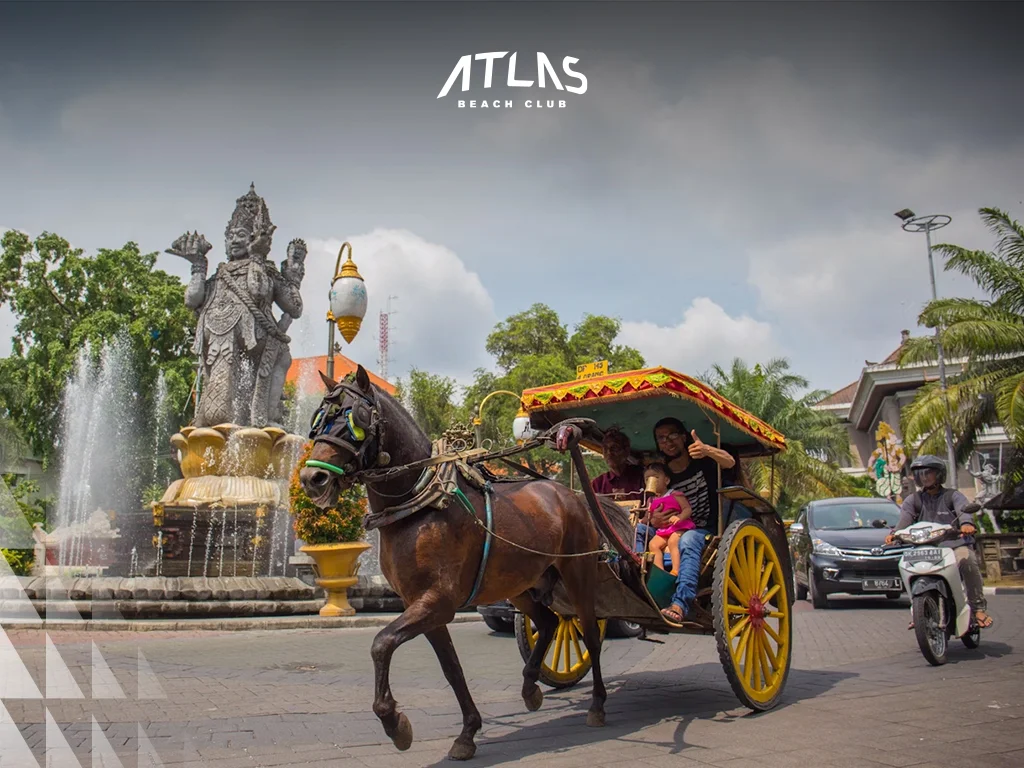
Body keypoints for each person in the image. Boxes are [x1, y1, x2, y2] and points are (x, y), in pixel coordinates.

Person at [887, 454, 994, 629]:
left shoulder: (953, 496)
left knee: (968, 561)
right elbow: (904, 521)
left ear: (939, 474)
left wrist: (966, 523)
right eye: (920, 473)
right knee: (904, 566)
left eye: (928, 472)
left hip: (954, 546)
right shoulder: (913, 500)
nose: (924, 477)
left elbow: (964, 511)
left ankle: (978, 608)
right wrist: (894, 534)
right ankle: (919, 611)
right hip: (924, 548)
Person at [653, 417, 736, 624]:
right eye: (661, 438)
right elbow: (653, 504)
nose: (668, 442)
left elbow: (730, 462)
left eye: (672, 435)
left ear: (683, 437)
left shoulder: (704, 462)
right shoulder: (663, 475)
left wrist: (707, 449)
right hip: (669, 530)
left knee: (688, 539)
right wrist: (653, 519)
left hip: (704, 529)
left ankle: (681, 601)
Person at [641, 463, 695, 574]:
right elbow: (647, 517)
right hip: (663, 531)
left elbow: (687, 509)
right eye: (647, 479)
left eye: (656, 477)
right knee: (653, 545)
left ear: (666, 480)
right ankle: (659, 571)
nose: (652, 481)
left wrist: (679, 517)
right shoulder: (650, 500)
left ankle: (676, 569)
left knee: (673, 541)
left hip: (679, 527)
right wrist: (641, 520)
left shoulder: (675, 494)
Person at [590, 427, 645, 500]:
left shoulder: (642, 476)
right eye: (605, 449)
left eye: (614, 448)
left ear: (626, 451)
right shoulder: (597, 484)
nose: (609, 453)